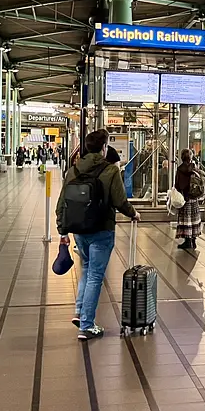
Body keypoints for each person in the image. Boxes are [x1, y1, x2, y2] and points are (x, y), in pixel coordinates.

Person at [57, 134, 139, 341]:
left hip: (79, 230)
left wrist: (62, 232)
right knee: (95, 275)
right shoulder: (110, 170)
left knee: (86, 269)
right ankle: (86, 325)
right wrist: (134, 214)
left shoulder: (73, 170)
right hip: (102, 229)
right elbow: (120, 201)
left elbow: (61, 203)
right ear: (103, 148)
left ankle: (79, 312)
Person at [174, 149, 203, 251]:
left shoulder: (180, 169)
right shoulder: (195, 168)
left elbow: (177, 184)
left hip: (185, 199)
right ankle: (193, 240)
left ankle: (187, 241)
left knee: (186, 220)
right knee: (194, 220)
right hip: (194, 199)